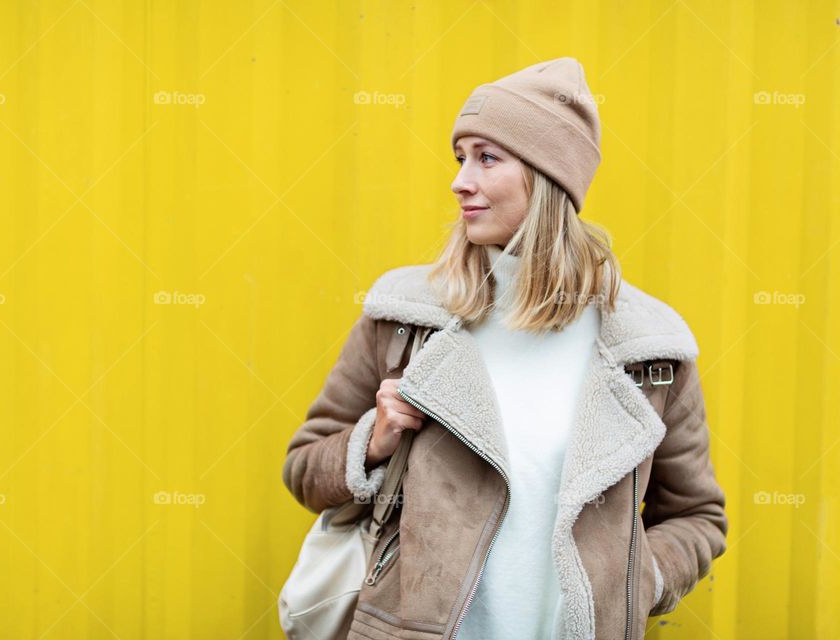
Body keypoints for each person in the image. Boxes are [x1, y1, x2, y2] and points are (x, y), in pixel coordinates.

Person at [282, 56, 728, 640]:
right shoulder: (407, 320)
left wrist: (637, 577)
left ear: (548, 178)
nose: (459, 180)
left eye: (487, 158)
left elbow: (698, 516)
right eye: (460, 157)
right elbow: (304, 469)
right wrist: (373, 439)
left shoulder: (647, 351)